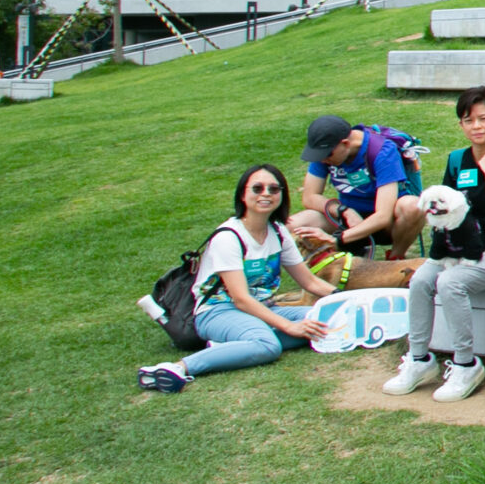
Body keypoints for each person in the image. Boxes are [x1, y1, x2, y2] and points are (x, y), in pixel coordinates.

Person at [138, 166, 337, 391]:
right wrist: (288, 327)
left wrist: (346, 298)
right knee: (268, 345)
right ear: (243, 194)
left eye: (274, 189)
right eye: (257, 188)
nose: (266, 194)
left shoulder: (278, 232)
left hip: (261, 308)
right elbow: (241, 299)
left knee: (324, 320)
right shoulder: (229, 236)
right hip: (218, 311)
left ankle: (233, 346)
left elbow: (309, 282)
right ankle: (178, 367)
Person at [383, 87, 485, 404]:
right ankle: (419, 359)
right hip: (458, 247)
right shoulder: (457, 161)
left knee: (450, 282)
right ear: (461, 125)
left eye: (483, 118)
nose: (476, 126)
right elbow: (444, 207)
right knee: (420, 279)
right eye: (468, 120)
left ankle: (465, 364)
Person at [293, 113, 426, 262]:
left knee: (413, 206)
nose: (323, 160)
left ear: (345, 143)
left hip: (387, 224)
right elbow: (309, 197)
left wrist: (338, 240)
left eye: (327, 155)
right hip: (346, 219)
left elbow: (383, 216)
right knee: (294, 225)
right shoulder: (326, 152)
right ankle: (350, 253)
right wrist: (343, 210)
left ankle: (395, 258)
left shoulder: (382, 151)